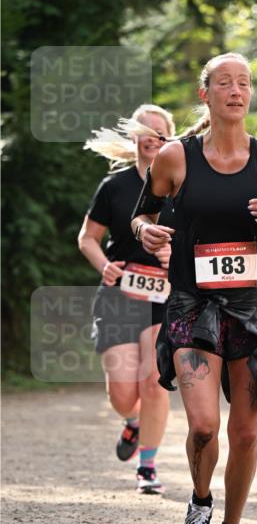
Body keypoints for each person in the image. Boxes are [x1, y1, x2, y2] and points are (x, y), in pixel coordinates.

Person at [131, 52, 257, 524]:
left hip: (251, 308)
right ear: (206, 94)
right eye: (224, 82)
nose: (235, 90)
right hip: (191, 305)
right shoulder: (175, 158)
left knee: (245, 431)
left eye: (243, 83)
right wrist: (146, 231)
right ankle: (200, 503)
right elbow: (142, 215)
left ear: (250, 95)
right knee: (204, 425)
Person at [78, 105, 175, 494]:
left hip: (164, 295)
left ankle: (147, 466)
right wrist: (104, 265)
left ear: (170, 139)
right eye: (144, 130)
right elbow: (87, 237)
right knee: (122, 393)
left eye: (159, 131)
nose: (152, 136)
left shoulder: (182, 184)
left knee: (154, 380)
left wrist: (177, 254)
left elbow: (201, 237)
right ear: (133, 137)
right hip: (120, 294)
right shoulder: (114, 187)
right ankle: (132, 421)